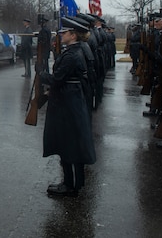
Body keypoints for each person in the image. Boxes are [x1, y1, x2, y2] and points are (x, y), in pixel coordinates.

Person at [37, 17, 96, 197]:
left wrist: (42, 74)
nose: (61, 35)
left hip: (68, 104)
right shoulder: (74, 51)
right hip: (70, 100)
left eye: (65, 32)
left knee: (69, 144)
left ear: (73, 35)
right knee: (71, 143)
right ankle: (72, 183)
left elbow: (57, 79)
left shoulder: (73, 54)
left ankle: (70, 185)